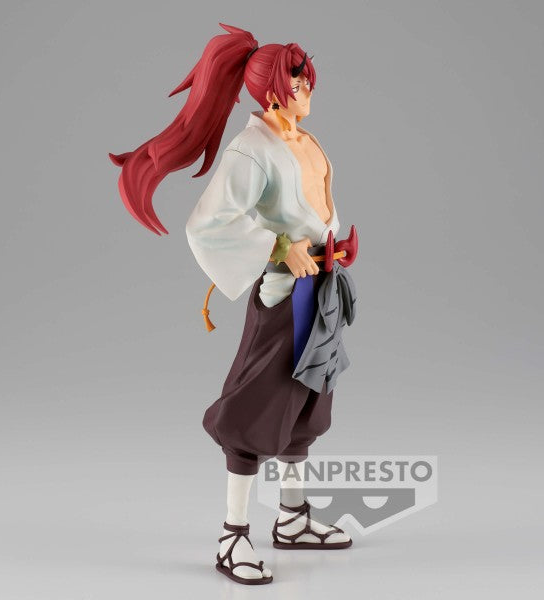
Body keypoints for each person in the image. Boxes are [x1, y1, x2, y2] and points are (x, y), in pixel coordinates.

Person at [109, 23, 357, 586]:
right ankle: (233, 535)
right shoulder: (252, 149)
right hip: (285, 294)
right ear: (274, 90)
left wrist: (328, 248)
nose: (307, 90)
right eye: (298, 82)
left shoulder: (302, 139)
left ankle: (292, 517)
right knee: (256, 410)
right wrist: (278, 247)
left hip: (323, 289)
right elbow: (206, 224)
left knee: (306, 406)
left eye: (307, 80)